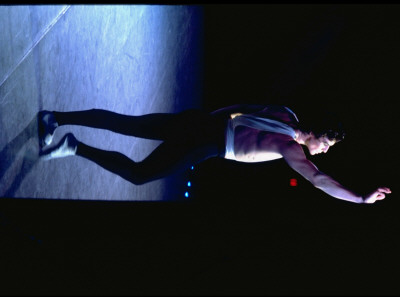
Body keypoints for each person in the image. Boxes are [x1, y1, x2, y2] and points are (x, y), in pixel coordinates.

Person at [38, 104, 391, 204]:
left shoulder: (286, 113)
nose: (324, 150)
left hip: (200, 124)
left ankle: (56, 118)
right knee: (140, 174)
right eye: (326, 143)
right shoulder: (289, 146)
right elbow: (317, 179)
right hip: (207, 144)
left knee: (128, 125)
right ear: (316, 134)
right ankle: (74, 146)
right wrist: (359, 199)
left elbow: (237, 106)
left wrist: (204, 121)